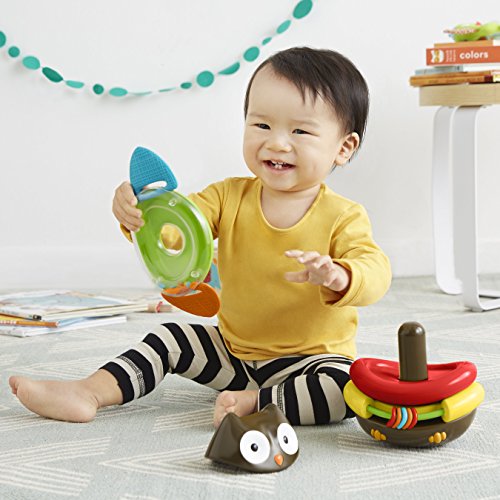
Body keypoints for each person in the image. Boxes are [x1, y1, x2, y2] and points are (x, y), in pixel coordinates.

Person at [9, 47, 391, 427]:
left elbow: (375, 269)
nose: (276, 142)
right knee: (169, 338)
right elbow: (177, 230)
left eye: (300, 131)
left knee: (345, 387)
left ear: (343, 148)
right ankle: (89, 392)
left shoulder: (343, 216)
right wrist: (138, 213)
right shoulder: (227, 196)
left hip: (310, 360)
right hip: (233, 354)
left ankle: (256, 404)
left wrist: (340, 275)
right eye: (261, 125)